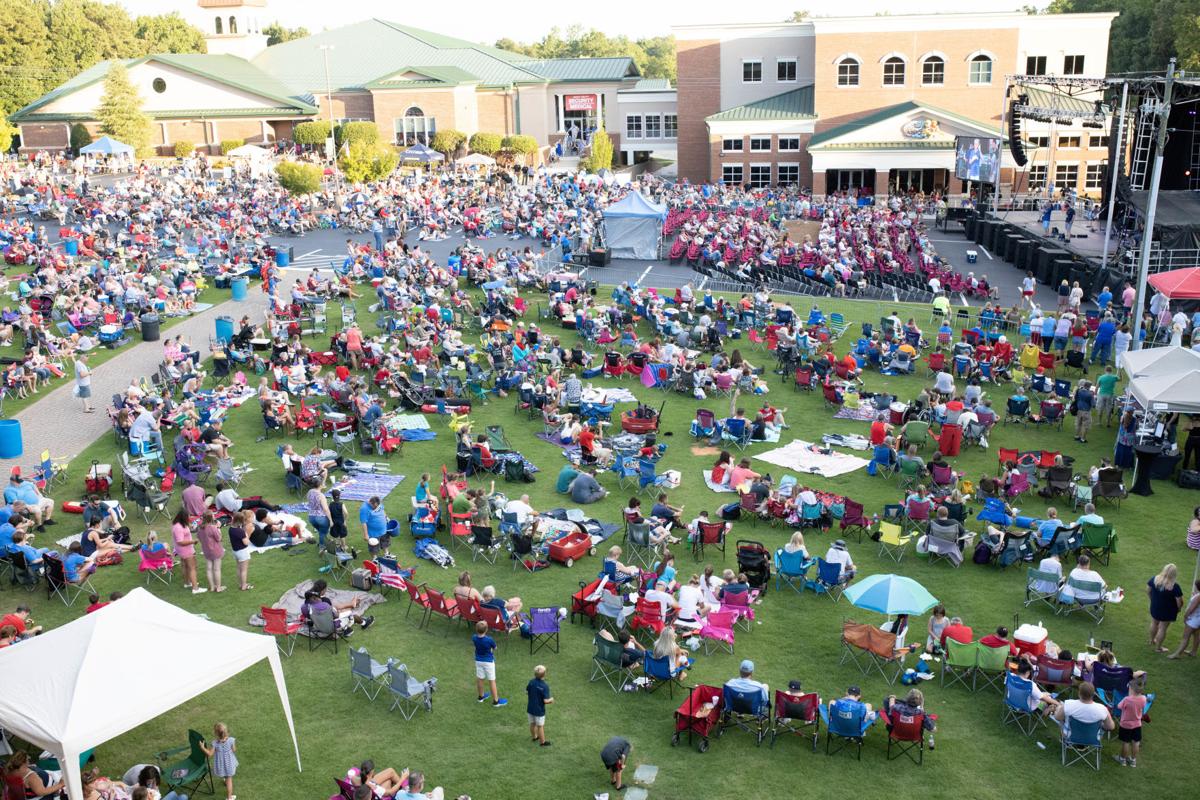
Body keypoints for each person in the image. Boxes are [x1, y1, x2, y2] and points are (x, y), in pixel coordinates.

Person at [1147, 563, 1184, 653]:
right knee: (1162, 628)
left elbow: (1148, 591)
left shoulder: (1155, 579)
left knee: (1154, 623)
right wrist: (1178, 609)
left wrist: (1152, 600)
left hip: (1155, 607)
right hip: (1167, 611)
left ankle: (1151, 640)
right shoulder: (1175, 586)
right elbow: (1179, 602)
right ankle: (1158, 648)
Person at [197, 722, 237, 800]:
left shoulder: (215, 743)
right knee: (229, 779)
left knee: (227, 777)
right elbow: (234, 750)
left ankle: (228, 792)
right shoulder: (231, 740)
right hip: (229, 764)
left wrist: (202, 747)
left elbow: (209, 754)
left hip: (221, 764)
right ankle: (229, 797)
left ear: (216, 733)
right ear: (226, 731)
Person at [473, 620, 507, 707]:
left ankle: (481, 697)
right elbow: (495, 648)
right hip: (488, 662)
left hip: (478, 661)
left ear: (476, 629)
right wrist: (490, 649)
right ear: (486, 630)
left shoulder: (474, 637)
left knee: (480, 678)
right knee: (492, 681)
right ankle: (496, 701)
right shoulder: (489, 640)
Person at [1115, 678, 1148, 767]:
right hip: (1137, 724)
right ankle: (1133, 760)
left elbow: (1119, 706)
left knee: (1126, 742)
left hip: (1126, 725)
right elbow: (1143, 706)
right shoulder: (1143, 698)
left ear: (1131, 689)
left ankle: (1122, 759)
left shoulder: (1127, 699)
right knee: (1136, 742)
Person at [171, 509, 203, 594]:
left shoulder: (179, 524)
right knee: (192, 567)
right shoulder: (178, 527)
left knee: (185, 566)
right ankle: (195, 588)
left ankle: (187, 583)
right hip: (186, 550)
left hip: (181, 550)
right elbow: (180, 541)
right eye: (188, 516)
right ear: (183, 517)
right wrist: (193, 541)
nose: (190, 517)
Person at [1168, 579, 1200, 659]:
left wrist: (1185, 617)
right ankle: (1193, 652)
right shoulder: (1198, 595)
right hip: (1198, 619)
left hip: (1193, 619)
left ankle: (1177, 654)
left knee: (1185, 637)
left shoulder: (1198, 597)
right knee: (1197, 635)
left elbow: (1191, 609)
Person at [526, 664, 554, 747]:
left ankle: (534, 737)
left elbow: (526, 691)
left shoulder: (531, 682)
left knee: (532, 724)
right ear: (544, 674)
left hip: (530, 708)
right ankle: (542, 742)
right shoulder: (544, 686)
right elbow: (545, 701)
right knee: (540, 726)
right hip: (539, 710)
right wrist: (551, 700)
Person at [197, 512, 224, 593]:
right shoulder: (213, 527)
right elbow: (219, 538)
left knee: (209, 569)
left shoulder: (200, 528)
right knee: (217, 569)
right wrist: (218, 528)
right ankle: (218, 588)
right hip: (215, 550)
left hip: (206, 550)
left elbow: (199, 538)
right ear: (211, 518)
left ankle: (212, 587)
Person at [229, 509, 253, 591]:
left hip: (235, 551)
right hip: (242, 552)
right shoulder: (240, 531)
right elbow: (246, 542)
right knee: (244, 570)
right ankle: (244, 586)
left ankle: (241, 583)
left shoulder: (231, 529)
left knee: (239, 568)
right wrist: (248, 534)